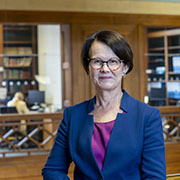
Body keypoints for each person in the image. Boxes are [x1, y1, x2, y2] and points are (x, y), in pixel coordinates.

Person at [42, 30, 166, 179]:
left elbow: (155, 177)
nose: (105, 69)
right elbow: (52, 170)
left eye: (113, 61)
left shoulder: (147, 116)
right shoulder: (72, 116)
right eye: (97, 61)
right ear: (88, 67)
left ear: (125, 67)